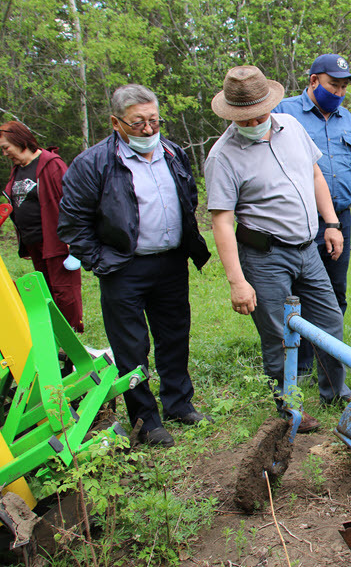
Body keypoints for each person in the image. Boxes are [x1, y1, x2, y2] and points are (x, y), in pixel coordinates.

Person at [58, 85, 212, 447]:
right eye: (138, 122)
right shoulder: (92, 163)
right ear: (116, 122)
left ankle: (179, 404)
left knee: (174, 335)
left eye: (154, 120)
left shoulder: (173, 152)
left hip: (170, 262)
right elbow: (72, 224)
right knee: (131, 346)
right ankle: (147, 419)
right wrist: (101, 260)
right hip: (123, 267)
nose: (148, 129)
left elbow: (188, 198)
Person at [206, 66, 351, 433]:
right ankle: (290, 408)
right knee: (277, 333)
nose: (255, 121)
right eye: (245, 117)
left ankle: (336, 392)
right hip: (265, 256)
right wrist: (237, 282)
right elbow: (222, 222)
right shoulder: (222, 156)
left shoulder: (291, 126)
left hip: (308, 248)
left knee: (330, 321)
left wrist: (331, 222)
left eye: (259, 113)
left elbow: (315, 174)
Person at [272, 54, 351, 382]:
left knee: (335, 291)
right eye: (334, 84)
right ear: (314, 80)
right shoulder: (285, 113)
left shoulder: (346, 119)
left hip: (340, 219)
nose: (340, 91)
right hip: (298, 220)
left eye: (345, 86)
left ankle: (326, 361)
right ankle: (299, 365)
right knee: (299, 293)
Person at [1, 122, 83, 332]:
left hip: (56, 241)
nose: (4, 153)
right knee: (45, 291)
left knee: (64, 292)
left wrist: (73, 240)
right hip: (34, 243)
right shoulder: (18, 170)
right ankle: (53, 338)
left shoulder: (51, 164)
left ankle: (69, 342)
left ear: (20, 141)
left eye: (6, 147)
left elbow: (72, 201)